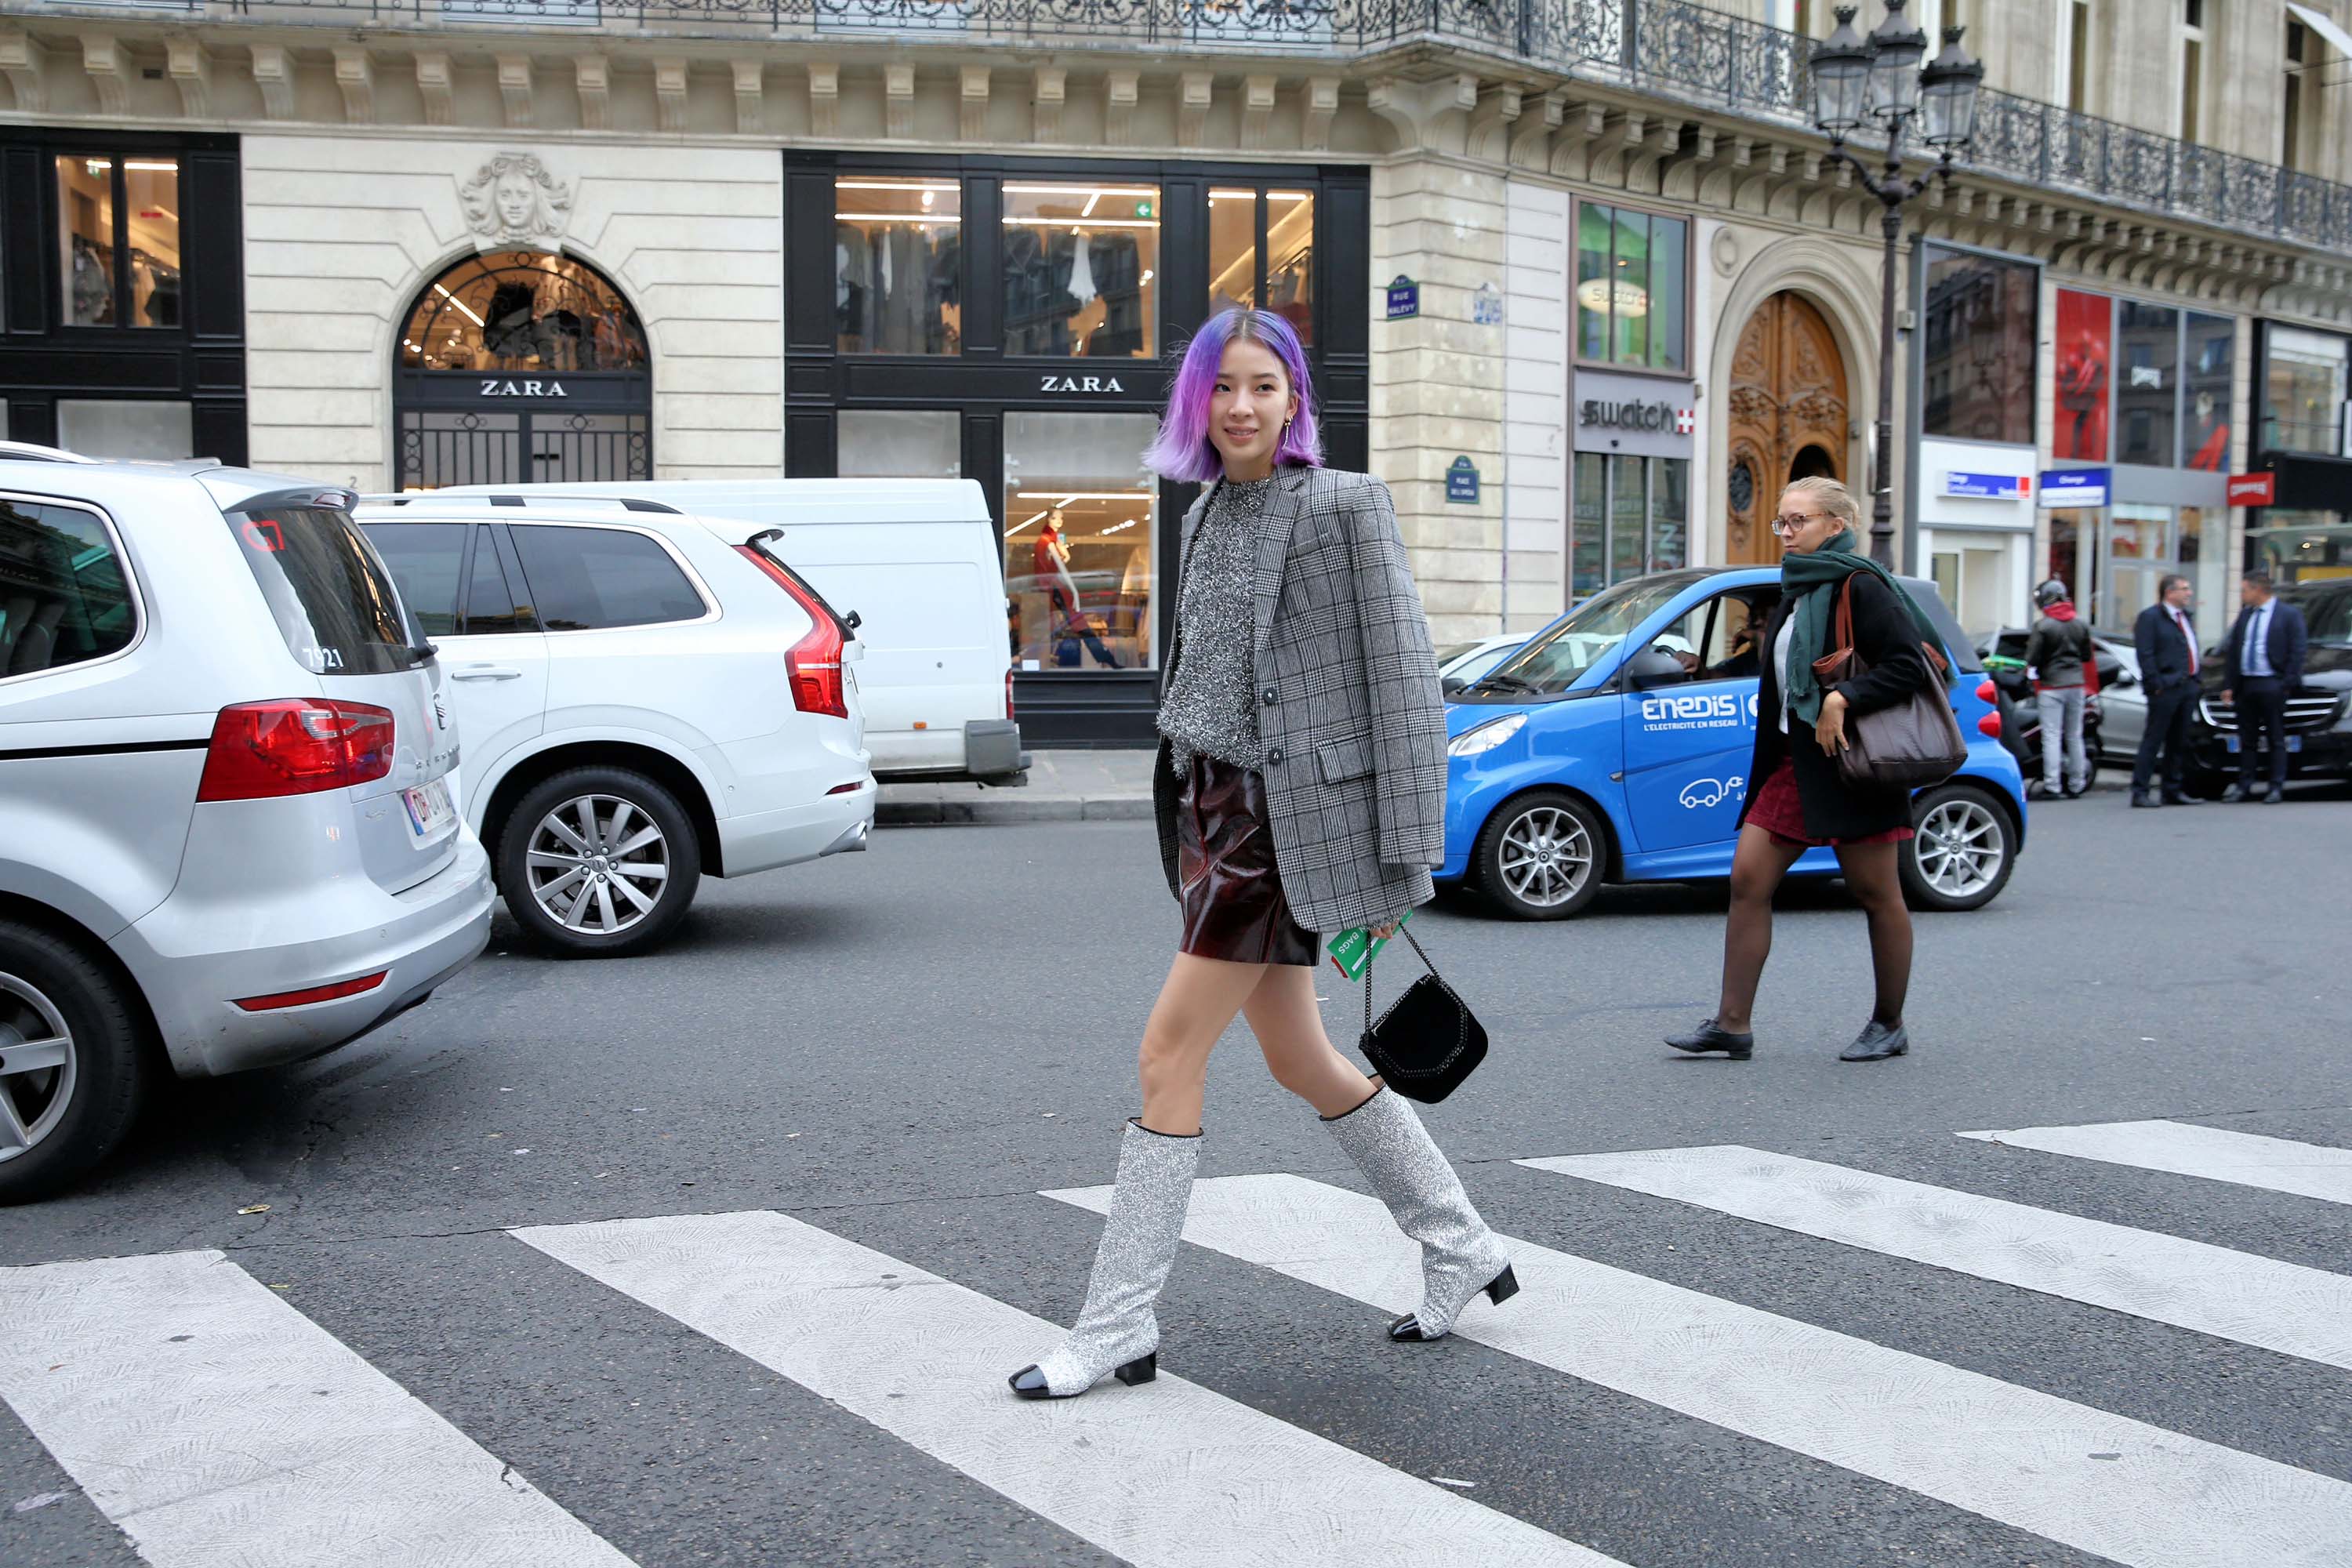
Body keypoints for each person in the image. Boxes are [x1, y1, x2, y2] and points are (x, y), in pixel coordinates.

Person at [1007, 308, 1517, 1401]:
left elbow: (1403, 685)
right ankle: (1463, 1245)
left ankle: (1116, 1325)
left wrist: (1402, 853)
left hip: (1279, 831)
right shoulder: (1202, 513)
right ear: (1196, 404)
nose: (1242, 407)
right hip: (1209, 810)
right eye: (1222, 388)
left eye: (1264, 387)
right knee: (1299, 1060)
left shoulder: (1343, 505)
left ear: (1296, 402)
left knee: (1165, 1056)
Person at [1665, 477, 1944, 1065]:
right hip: (1795, 763)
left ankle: (1889, 1023)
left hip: (1852, 762)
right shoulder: (1798, 586)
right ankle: (1732, 1024)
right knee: (1747, 880)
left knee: (1876, 893)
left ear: (1835, 526)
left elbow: (1909, 666)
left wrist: (1846, 698)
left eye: (1799, 522)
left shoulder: (1861, 586)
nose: (1787, 533)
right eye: (1782, 523)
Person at [2220, 572, 2307, 804]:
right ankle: (2244, 785)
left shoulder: (2288, 615)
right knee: (2246, 739)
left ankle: (2275, 786)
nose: (2242, 595)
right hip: (2246, 684)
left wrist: (2286, 684)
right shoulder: (2245, 615)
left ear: (2258, 590)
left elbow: (2297, 652)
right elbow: (2234, 652)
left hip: (2272, 682)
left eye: (2245, 590)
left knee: (2276, 737)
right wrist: (2229, 685)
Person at [2130, 574, 2205, 809]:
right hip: (2166, 688)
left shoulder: (2185, 618)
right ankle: (2140, 791)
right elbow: (2146, 654)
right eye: (2184, 589)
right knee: (2154, 740)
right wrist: (2156, 684)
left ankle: (2172, 789)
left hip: (2187, 686)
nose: (2189, 593)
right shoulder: (2151, 618)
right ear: (2169, 592)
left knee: (2179, 741)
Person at [2024, 577, 2096, 800]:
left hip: (2051, 686)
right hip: (2076, 684)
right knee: (2075, 735)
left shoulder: (2043, 626)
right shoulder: (2081, 623)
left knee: (2052, 736)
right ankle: (2077, 783)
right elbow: (2086, 655)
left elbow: (2033, 658)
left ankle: (2053, 786)